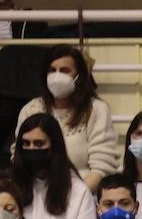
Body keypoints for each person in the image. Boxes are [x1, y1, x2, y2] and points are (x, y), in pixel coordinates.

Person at [16, 46, 119, 192]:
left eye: (65, 70)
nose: (57, 76)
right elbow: (19, 159)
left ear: (79, 76)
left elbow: (102, 167)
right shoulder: (30, 109)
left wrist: (75, 200)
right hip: (35, 195)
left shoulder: (96, 110)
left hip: (83, 194)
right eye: (52, 70)